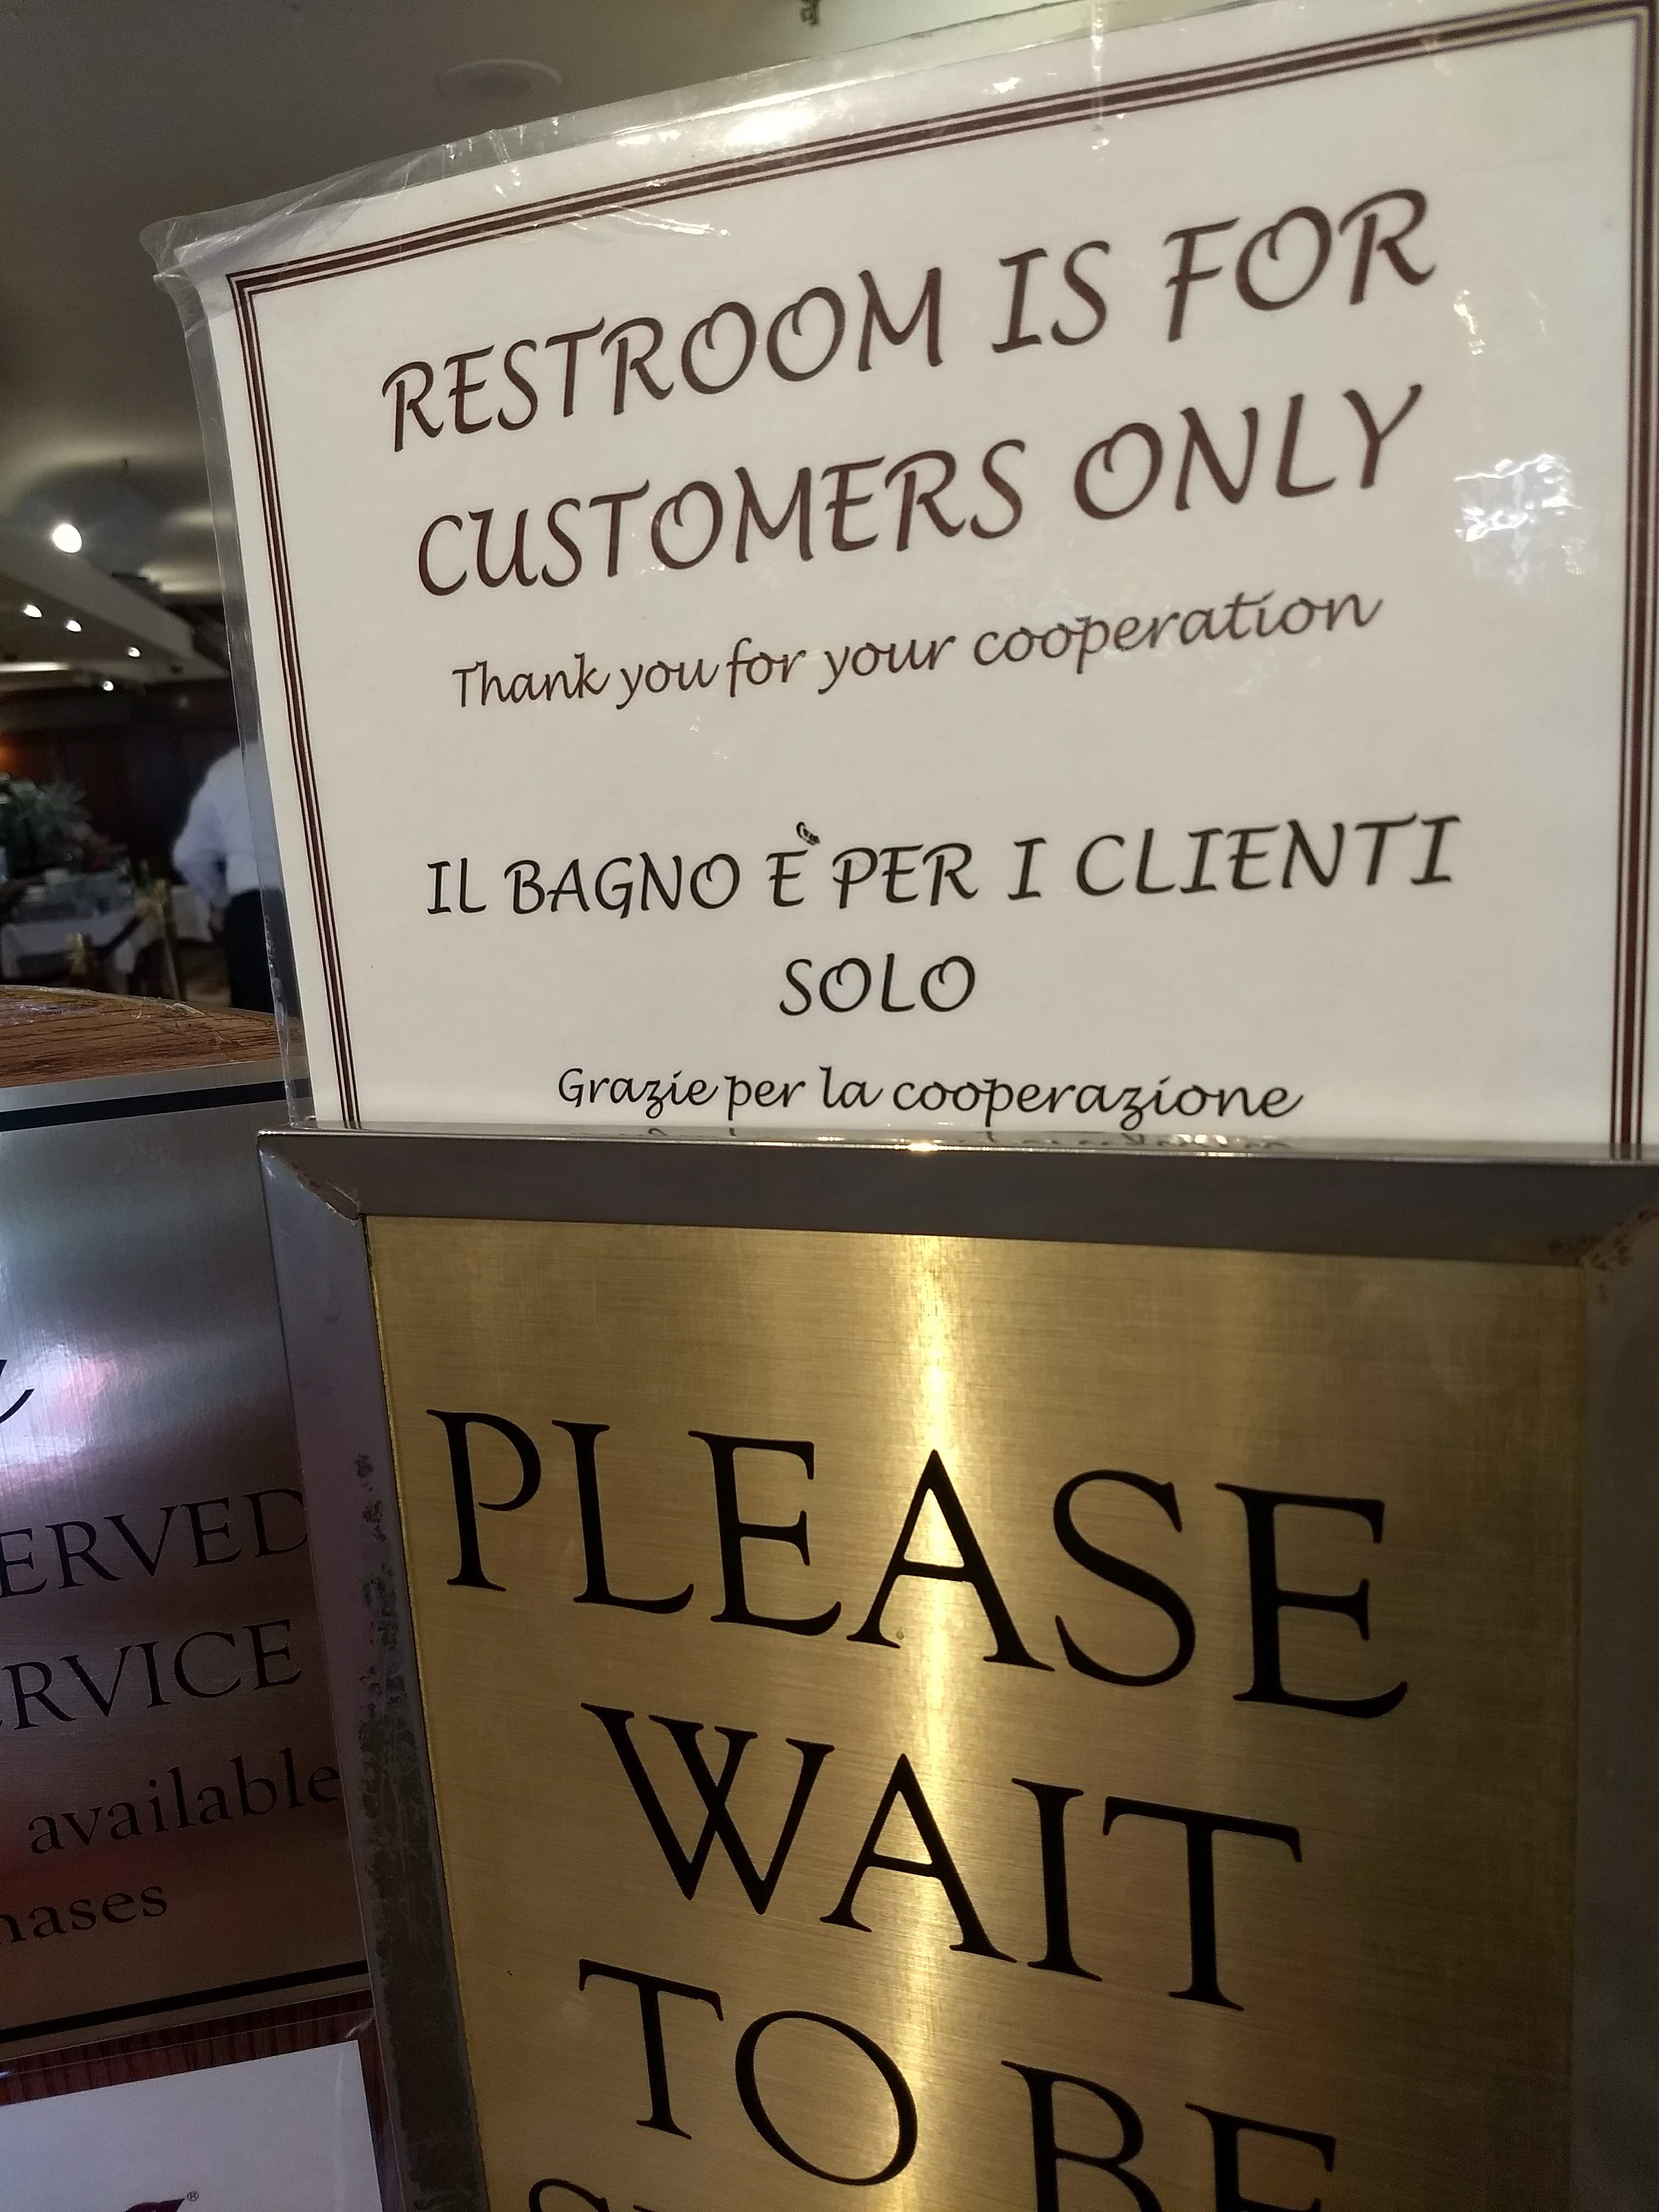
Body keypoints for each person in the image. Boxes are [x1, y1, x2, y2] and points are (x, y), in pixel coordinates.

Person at [172, 747, 271, 1012]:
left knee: (260, 1022)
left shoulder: (230, 769)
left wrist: (222, 901)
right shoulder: (330, 752)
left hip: (253, 912)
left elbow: (188, 856)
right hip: (328, 902)